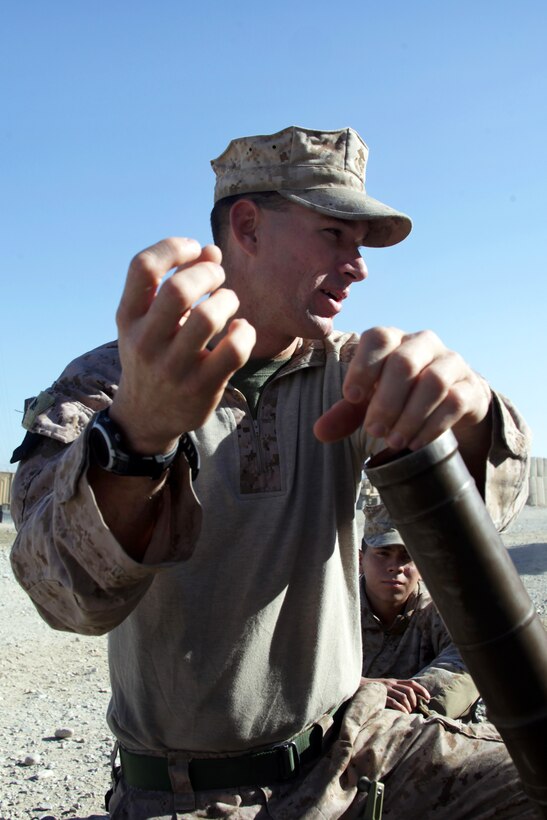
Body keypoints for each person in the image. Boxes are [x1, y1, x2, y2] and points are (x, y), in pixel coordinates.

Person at [10, 126, 535, 819]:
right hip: (193, 794)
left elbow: (488, 508)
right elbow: (67, 599)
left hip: (358, 749)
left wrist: (464, 410)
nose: (359, 267)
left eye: (361, 244)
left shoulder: (348, 375)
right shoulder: (112, 385)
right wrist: (138, 435)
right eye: (334, 235)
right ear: (248, 226)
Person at [359, 503, 480, 720]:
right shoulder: (337, 610)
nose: (395, 567)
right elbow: (299, 671)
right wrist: (366, 689)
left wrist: (405, 702)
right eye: (383, 553)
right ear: (360, 561)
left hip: (413, 728)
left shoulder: (439, 610)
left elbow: (466, 662)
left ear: (423, 566)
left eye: (406, 556)